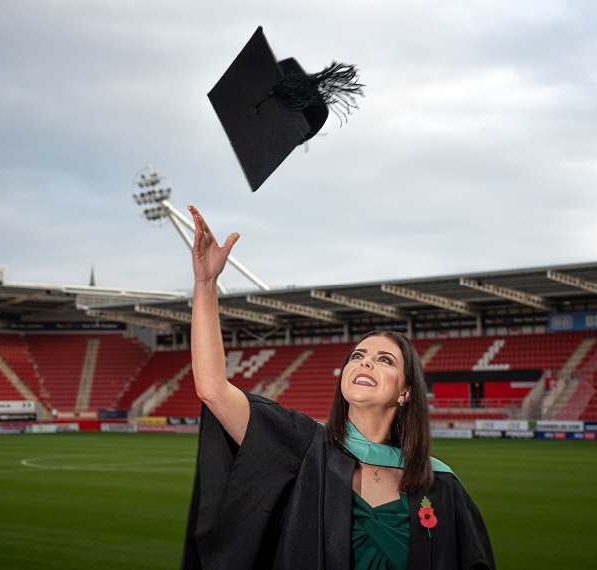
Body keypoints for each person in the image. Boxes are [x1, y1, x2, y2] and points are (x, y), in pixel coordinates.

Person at [182, 206, 495, 570]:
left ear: (405, 392)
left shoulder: (440, 483)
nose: (365, 362)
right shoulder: (305, 448)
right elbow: (213, 390)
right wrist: (206, 284)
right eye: (358, 355)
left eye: (385, 360)